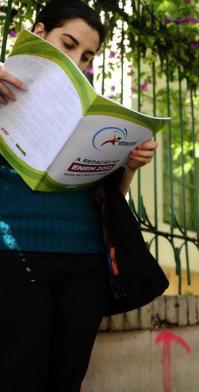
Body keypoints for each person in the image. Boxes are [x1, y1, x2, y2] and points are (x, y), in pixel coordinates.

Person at [0, 1, 159, 391]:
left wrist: (128, 167)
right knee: (18, 376)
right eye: (68, 44)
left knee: (67, 380)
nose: (78, 61)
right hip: (16, 255)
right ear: (38, 34)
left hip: (85, 262)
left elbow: (108, 198)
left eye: (87, 56)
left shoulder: (87, 108)